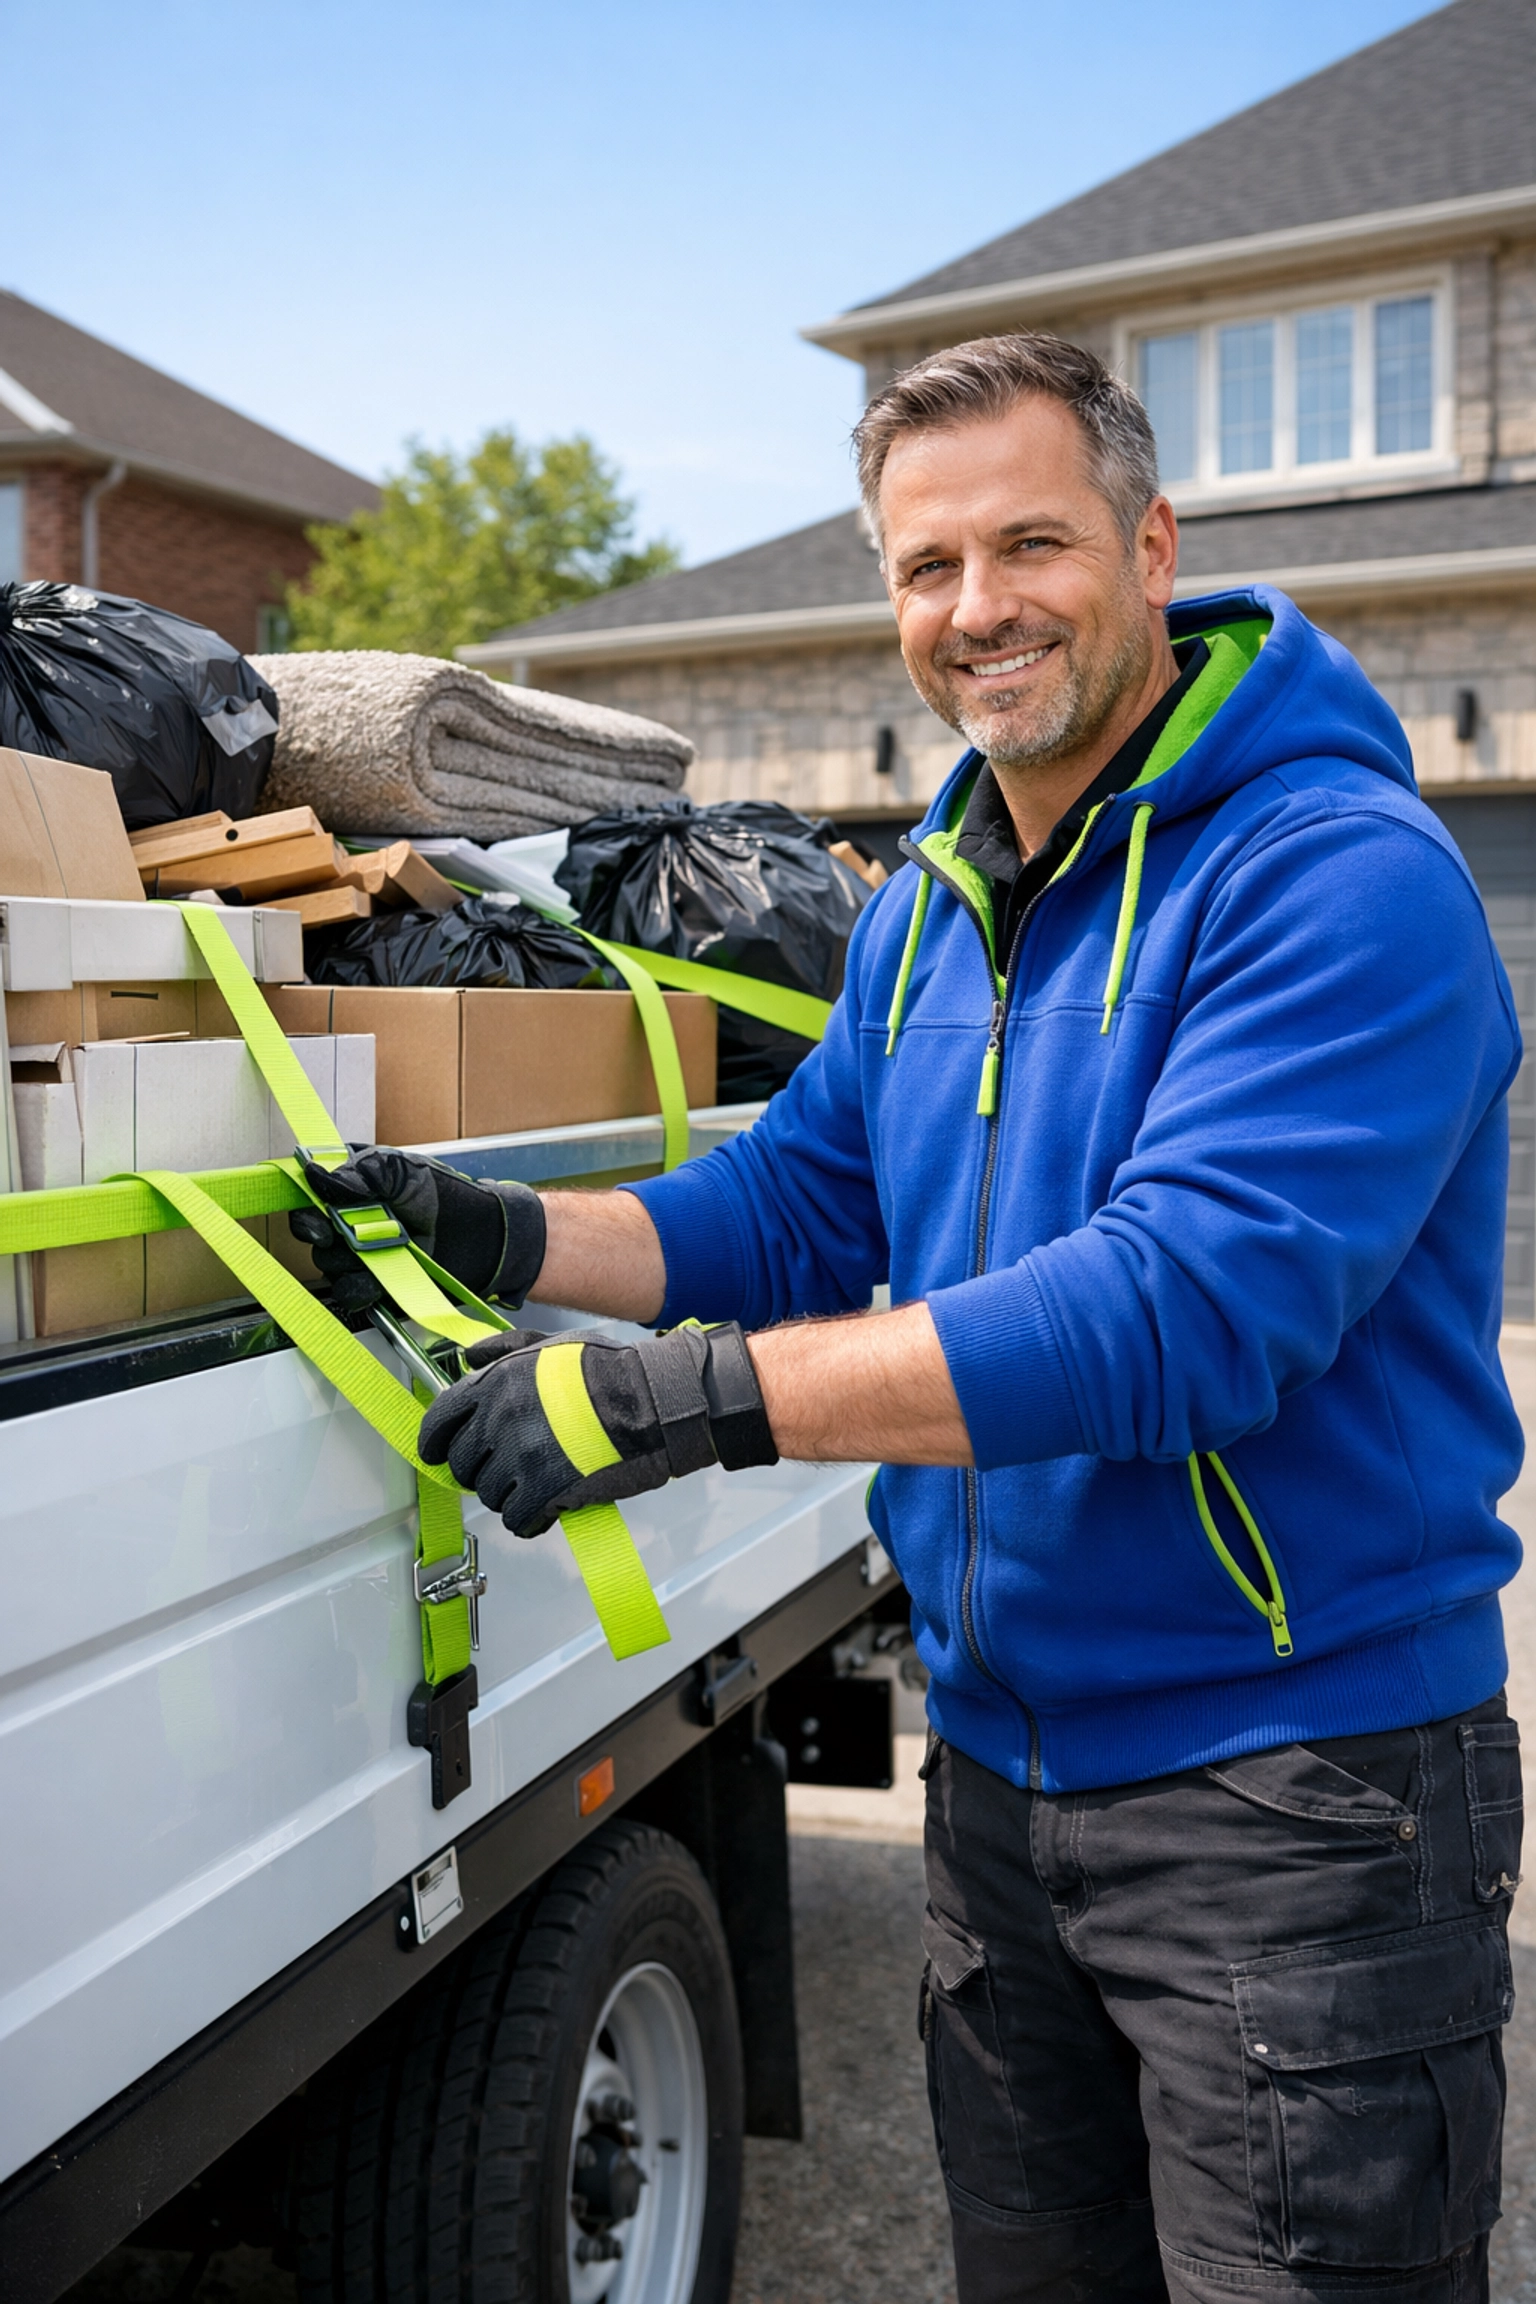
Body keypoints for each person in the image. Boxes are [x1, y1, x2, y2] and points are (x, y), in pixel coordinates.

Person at [296, 333, 1526, 2304]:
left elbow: (1180, 1313)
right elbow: (797, 1204)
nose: (976, 612)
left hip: (1295, 1800)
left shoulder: (1337, 877)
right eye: (925, 568)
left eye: (1028, 545)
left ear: (1150, 542)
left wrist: (689, 1398)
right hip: (1002, 1780)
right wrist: (507, 1237)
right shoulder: (931, 896)